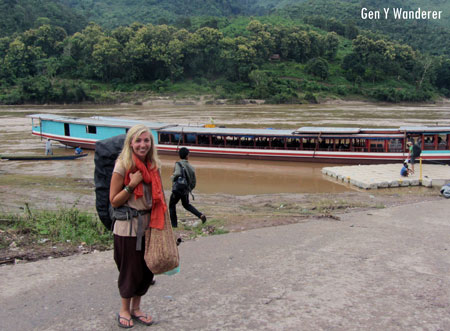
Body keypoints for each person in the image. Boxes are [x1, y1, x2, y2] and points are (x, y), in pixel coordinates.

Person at [110, 124, 166, 328]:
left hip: (149, 225)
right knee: (130, 270)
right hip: (128, 227)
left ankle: (136, 308)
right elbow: (114, 200)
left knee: (145, 270)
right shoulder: (122, 165)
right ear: (131, 143)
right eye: (138, 140)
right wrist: (132, 184)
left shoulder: (153, 165)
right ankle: (124, 310)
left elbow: (159, 199)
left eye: (147, 140)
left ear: (151, 143)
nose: (143, 145)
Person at [169, 147, 206, 228]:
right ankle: (200, 215)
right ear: (187, 156)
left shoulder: (178, 164)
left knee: (172, 205)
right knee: (186, 205)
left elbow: (178, 173)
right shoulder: (191, 167)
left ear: (179, 155)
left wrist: (172, 177)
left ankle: (174, 225)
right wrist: (189, 189)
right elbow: (194, 182)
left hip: (177, 189)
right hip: (185, 190)